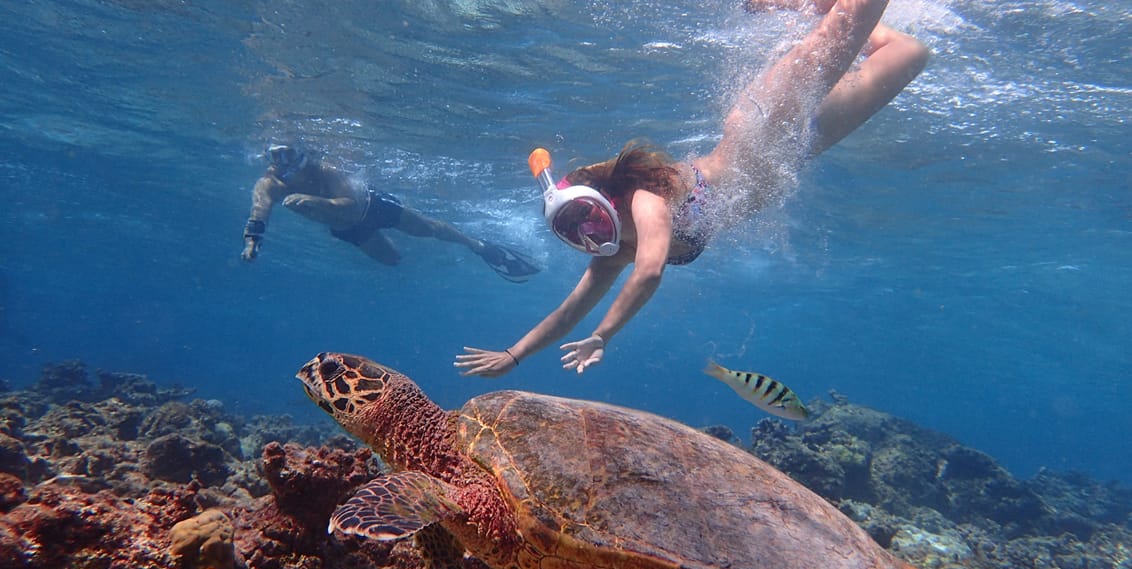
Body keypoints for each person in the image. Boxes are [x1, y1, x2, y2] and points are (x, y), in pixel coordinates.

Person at [455, 0, 929, 376]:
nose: (594, 237)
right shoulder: (614, 250)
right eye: (576, 235)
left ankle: (797, 5)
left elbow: (650, 272)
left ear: (604, 199)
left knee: (852, 20)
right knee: (909, 54)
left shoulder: (645, 203)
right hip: (794, 150)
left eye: (592, 219)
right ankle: (809, 6)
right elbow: (566, 313)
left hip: (761, 124)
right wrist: (513, 356)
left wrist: (605, 335)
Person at [240, 144, 541, 283]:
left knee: (428, 228)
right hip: (348, 230)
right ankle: (415, 258)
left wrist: (317, 203)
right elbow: (259, 209)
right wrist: (253, 241)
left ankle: (478, 246)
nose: (290, 168)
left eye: (293, 158)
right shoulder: (270, 184)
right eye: (280, 162)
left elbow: (352, 205)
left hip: (373, 206)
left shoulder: (326, 171)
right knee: (393, 260)